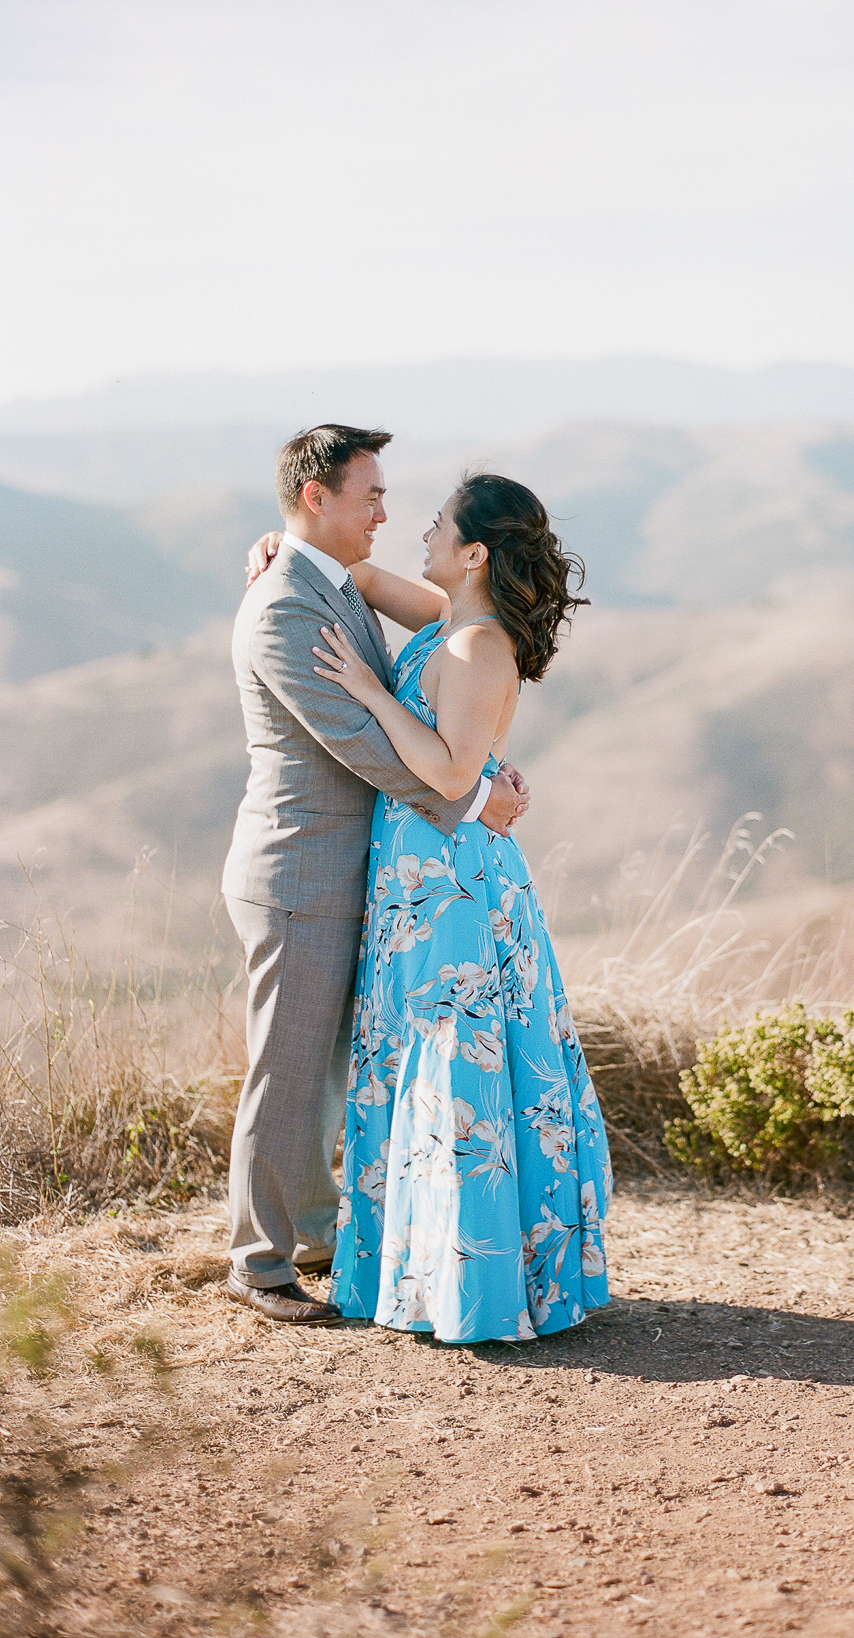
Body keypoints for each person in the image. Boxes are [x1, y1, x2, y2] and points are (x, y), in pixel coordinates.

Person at [246, 471, 612, 1344]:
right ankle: (419, 1266)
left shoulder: (479, 644)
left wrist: (373, 696)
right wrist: (272, 546)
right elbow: (358, 579)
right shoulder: (446, 619)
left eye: (440, 526)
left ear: (475, 552)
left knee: (462, 1074)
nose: (421, 532)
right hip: (413, 878)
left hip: (453, 883)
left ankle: (477, 1282)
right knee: (415, 1063)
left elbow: (451, 773)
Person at [222, 426, 525, 1327]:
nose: (386, 513)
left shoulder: (326, 582)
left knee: (327, 1069)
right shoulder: (283, 607)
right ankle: (260, 1263)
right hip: (297, 871)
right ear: (317, 496)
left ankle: (315, 1229)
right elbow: (357, 743)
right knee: (286, 1068)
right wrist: (471, 802)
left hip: (362, 873)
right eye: (371, 496)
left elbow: (432, 654)